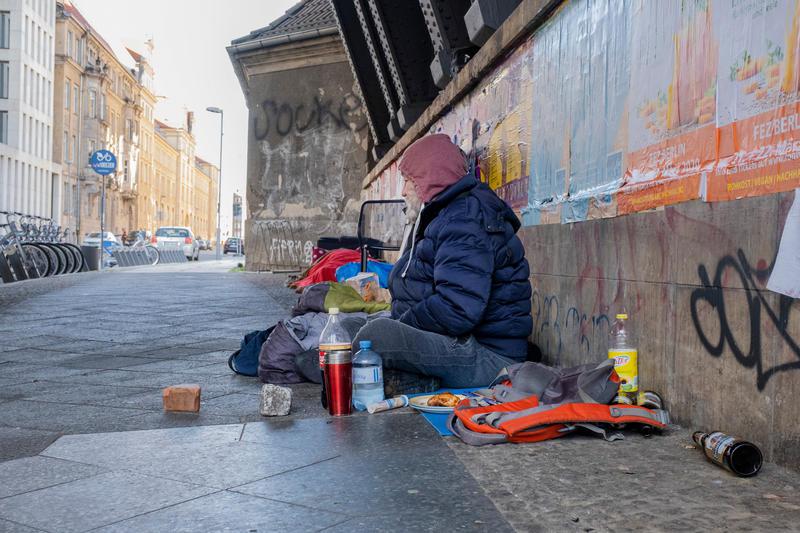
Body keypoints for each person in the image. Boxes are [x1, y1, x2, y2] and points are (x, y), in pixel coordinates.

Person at [353, 134, 532, 392]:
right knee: (353, 327)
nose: (403, 191)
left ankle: (377, 376)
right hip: (462, 345)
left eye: (408, 181)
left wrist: (400, 325)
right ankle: (407, 380)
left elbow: (458, 308)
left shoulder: (465, 220)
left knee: (376, 336)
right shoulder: (446, 215)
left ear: (430, 178)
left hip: (492, 360)